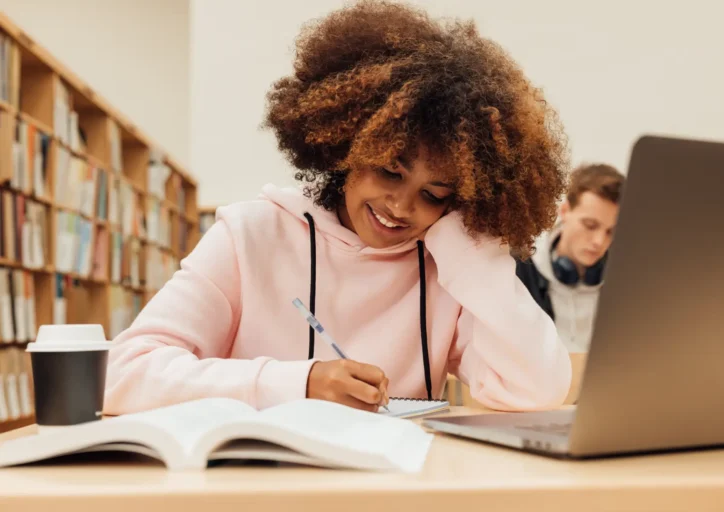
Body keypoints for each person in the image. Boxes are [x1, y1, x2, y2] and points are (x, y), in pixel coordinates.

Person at [103, 0, 573, 416]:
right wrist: (296, 383)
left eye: (434, 193)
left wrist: (473, 249)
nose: (401, 205)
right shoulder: (250, 236)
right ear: (347, 146)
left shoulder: (445, 266)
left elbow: (536, 391)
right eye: (391, 170)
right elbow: (122, 375)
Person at [514, 163, 625, 353]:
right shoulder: (520, 268)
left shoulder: (625, 279)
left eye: (610, 232)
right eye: (590, 225)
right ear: (564, 212)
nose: (599, 241)